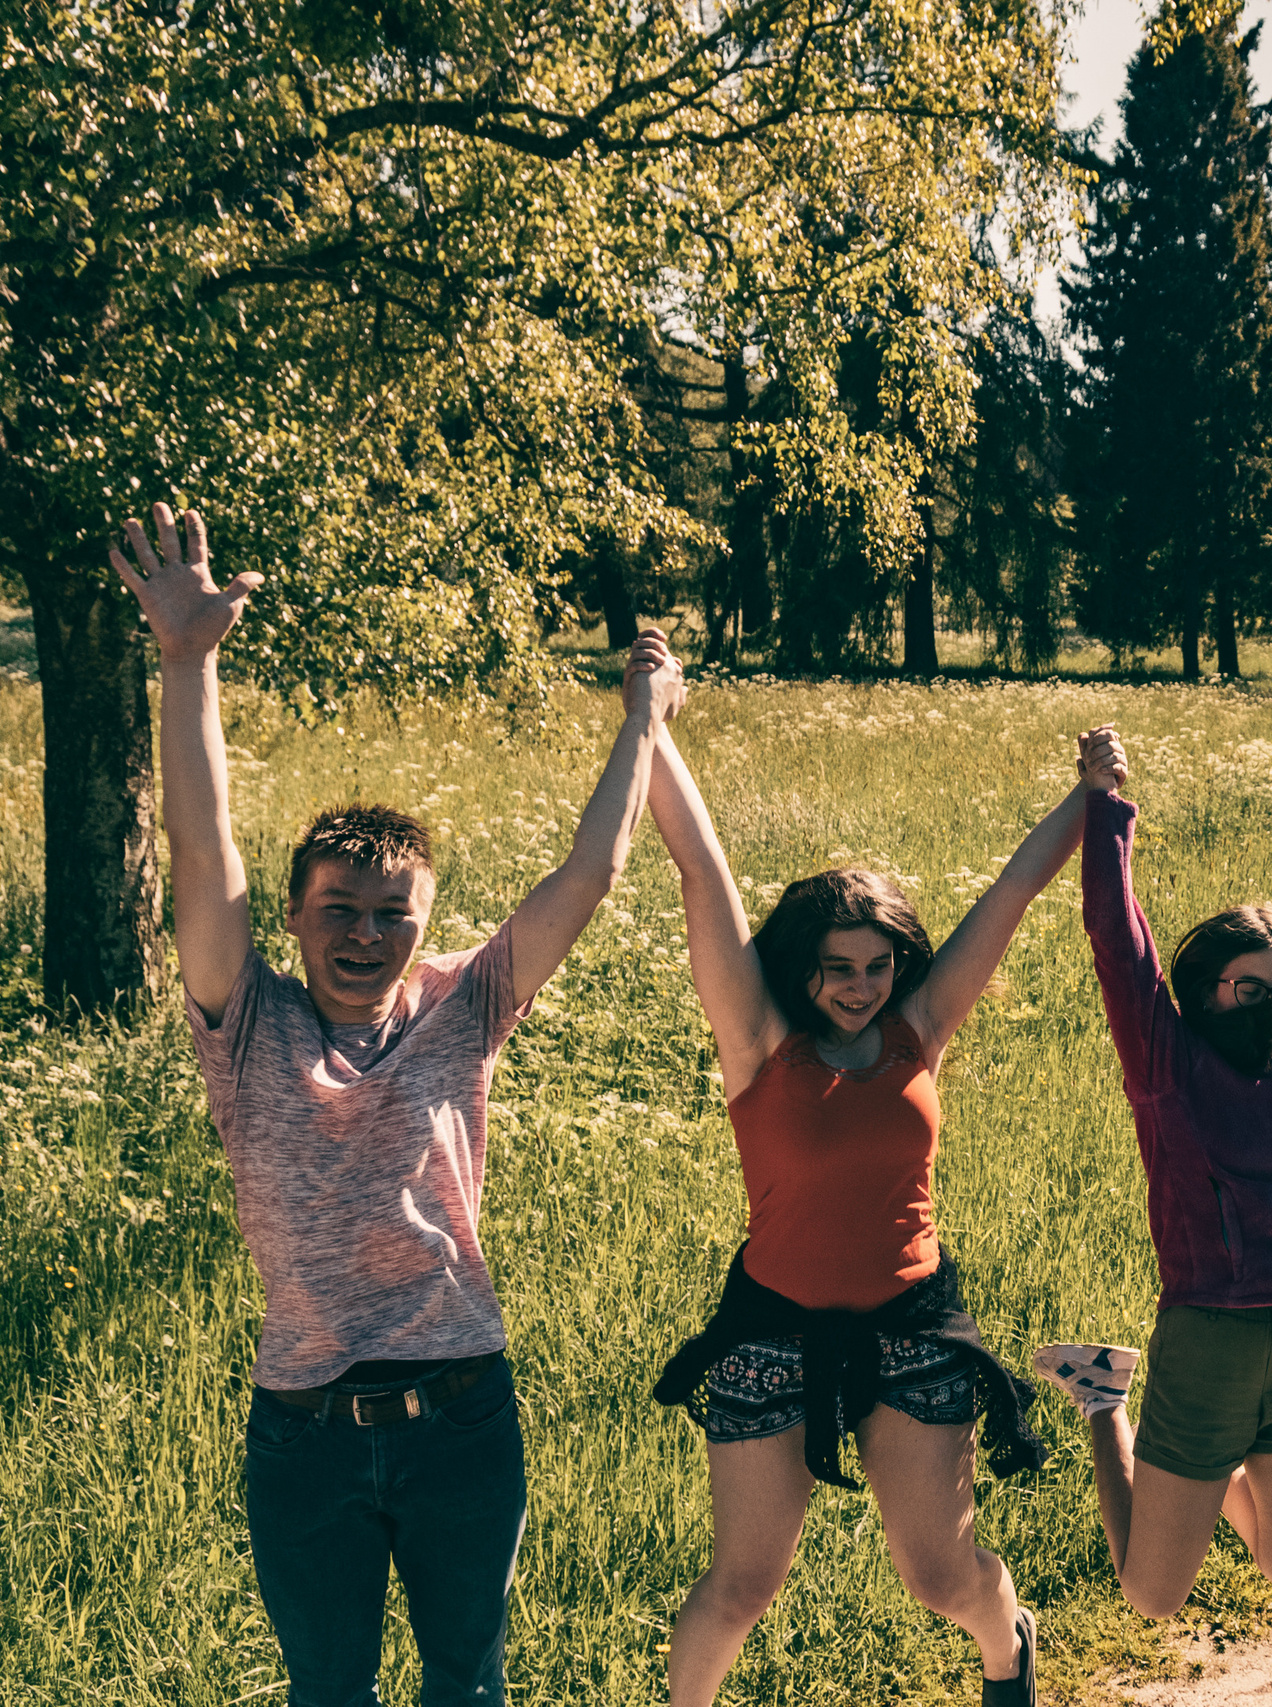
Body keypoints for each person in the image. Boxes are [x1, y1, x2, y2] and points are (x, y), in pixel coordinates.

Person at [113, 501, 683, 1705]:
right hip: (304, 1434)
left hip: (464, 1420)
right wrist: (186, 664)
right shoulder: (245, 1019)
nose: (366, 936)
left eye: (391, 915)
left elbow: (591, 871)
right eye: (339, 910)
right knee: (328, 1695)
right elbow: (203, 845)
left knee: (466, 1689)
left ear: (423, 923)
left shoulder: (463, 1009)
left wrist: (642, 721)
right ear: (296, 919)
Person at [647, 720, 1130, 1707]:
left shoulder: (918, 1032)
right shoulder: (758, 1044)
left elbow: (1009, 895)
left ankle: (1009, 1654)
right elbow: (702, 872)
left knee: (941, 1578)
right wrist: (650, 725)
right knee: (742, 1585)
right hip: (770, 1326)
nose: (858, 988)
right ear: (800, 968)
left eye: (875, 966)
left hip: (910, 1323)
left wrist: (1092, 795)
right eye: (835, 968)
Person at [1030, 753, 1272, 1623]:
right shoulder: (1167, 1063)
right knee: (1153, 1594)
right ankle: (1102, 1398)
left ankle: (1208, 1468)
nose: (1271, 1003)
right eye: (1250, 986)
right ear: (1208, 989)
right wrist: (1106, 807)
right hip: (1207, 1335)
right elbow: (1118, 946)